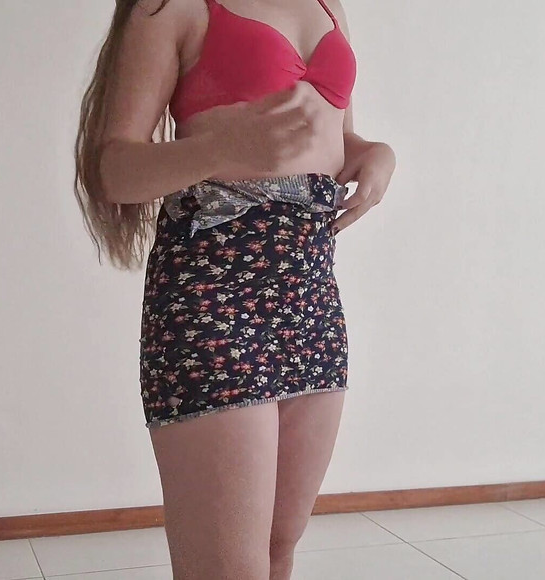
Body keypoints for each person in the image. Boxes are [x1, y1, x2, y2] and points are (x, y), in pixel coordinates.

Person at [74, 1, 395, 578]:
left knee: (279, 546)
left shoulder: (327, 5)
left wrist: (375, 154)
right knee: (227, 569)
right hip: (211, 293)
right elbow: (111, 171)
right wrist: (220, 150)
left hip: (310, 290)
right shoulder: (172, 6)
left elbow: (336, 135)